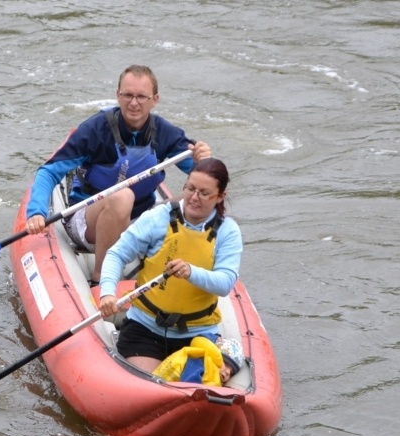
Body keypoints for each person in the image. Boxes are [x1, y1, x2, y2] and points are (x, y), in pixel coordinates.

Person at [24, 64, 212, 286]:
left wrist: (205, 160)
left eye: (141, 96)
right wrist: (35, 211)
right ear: (118, 95)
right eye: (128, 95)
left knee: (198, 198)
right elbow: (48, 172)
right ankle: (101, 279)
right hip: (86, 221)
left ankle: (193, 266)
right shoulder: (95, 130)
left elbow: (207, 180)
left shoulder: (164, 132)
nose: (134, 103)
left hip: (139, 221)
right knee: (123, 196)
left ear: (155, 99)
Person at [98, 157, 242, 381]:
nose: (194, 198)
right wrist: (107, 291)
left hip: (198, 332)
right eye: (190, 188)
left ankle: (224, 358)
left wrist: (191, 272)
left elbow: (225, 283)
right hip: (145, 329)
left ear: (220, 196)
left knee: (200, 379)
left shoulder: (228, 232)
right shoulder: (158, 217)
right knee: (150, 383)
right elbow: (117, 254)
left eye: (204, 193)